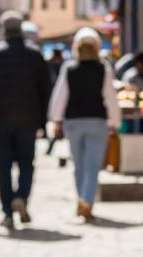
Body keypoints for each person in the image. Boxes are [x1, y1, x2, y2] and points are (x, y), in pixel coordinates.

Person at [0, 11, 51, 229]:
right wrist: (44, 123)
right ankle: (22, 198)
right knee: (26, 164)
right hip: (29, 120)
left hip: (1, 121)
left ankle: (7, 212)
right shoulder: (35, 55)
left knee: (4, 166)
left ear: (4, 31)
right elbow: (46, 90)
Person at [49, 28, 120, 221]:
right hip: (96, 121)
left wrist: (56, 120)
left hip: (73, 122)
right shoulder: (103, 69)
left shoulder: (69, 69)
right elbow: (111, 98)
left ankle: (82, 199)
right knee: (92, 164)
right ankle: (86, 201)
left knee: (78, 165)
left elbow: (60, 96)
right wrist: (115, 121)